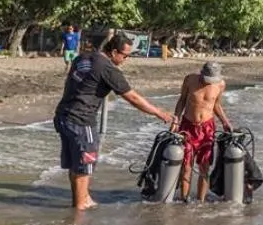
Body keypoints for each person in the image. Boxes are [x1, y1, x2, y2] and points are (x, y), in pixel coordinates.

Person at [54, 31, 176, 210]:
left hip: (63, 116)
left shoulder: (83, 57)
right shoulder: (108, 68)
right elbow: (132, 98)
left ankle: (83, 197)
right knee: (84, 165)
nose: (126, 60)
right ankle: (79, 213)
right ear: (113, 52)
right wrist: (160, 113)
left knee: (76, 163)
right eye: (125, 56)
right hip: (82, 121)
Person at [173, 61, 235, 202]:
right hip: (188, 126)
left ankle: (200, 203)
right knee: (186, 167)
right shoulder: (190, 79)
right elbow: (182, 100)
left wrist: (225, 121)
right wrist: (176, 119)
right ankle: (184, 200)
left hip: (207, 129)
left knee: (204, 168)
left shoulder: (220, 84)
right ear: (202, 73)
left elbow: (216, 105)